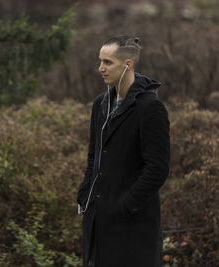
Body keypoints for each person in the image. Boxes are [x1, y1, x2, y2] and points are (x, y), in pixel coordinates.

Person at [77, 35, 170, 267]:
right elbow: (94, 155)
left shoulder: (151, 108)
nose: (100, 68)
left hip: (134, 226)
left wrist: (124, 206)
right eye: (100, 61)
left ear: (127, 64)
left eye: (107, 62)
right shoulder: (100, 105)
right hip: (100, 222)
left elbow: (157, 169)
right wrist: (85, 194)